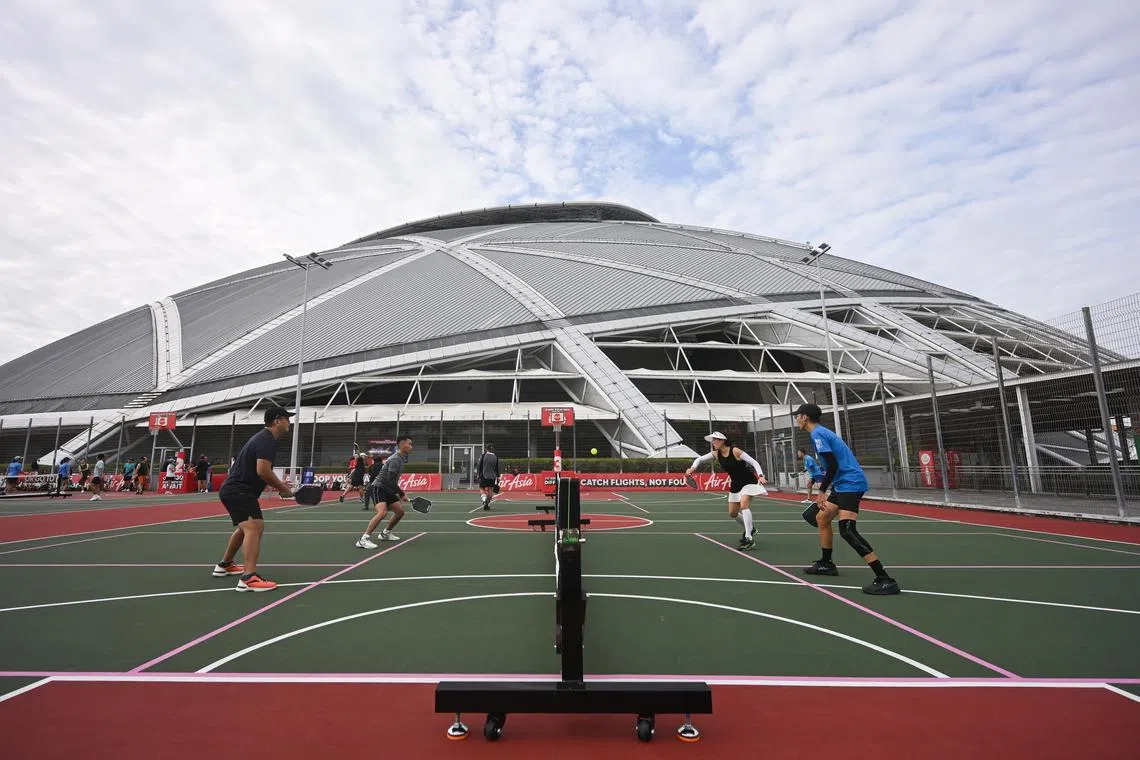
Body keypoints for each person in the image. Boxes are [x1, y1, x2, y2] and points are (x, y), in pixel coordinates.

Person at [792, 404, 900, 595]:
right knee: (822, 519)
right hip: (842, 484)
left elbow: (832, 465)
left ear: (805, 417)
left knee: (847, 530)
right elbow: (833, 465)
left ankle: (884, 579)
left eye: (797, 416)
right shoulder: (820, 433)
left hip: (851, 483)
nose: (796, 419)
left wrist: (822, 490)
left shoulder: (818, 434)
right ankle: (826, 563)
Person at [213, 406, 295, 592]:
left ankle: (225, 564)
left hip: (237, 491)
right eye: (286, 419)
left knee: (245, 528)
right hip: (239, 491)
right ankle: (249, 578)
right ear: (277, 421)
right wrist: (282, 488)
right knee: (254, 527)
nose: (289, 422)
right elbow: (263, 470)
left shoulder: (264, 439)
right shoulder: (267, 440)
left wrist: (280, 487)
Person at [686, 432, 767, 551]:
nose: (713, 443)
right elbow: (700, 459)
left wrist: (760, 475)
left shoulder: (735, 451)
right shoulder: (716, 453)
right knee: (733, 513)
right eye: (712, 440)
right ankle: (751, 529)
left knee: (744, 505)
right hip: (735, 484)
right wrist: (693, 468)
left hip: (748, 481)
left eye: (715, 440)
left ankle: (749, 538)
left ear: (722, 440)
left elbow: (754, 462)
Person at [356, 435, 413, 549]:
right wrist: (401, 494)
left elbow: (391, 482)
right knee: (382, 512)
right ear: (401, 444)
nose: (411, 446)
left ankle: (385, 533)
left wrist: (398, 493)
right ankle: (363, 539)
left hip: (388, 488)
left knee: (400, 511)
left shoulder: (401, 458)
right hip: (379, 487)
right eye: (409, 444)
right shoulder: (395, 459)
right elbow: (389, 480)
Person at [476, 443, 500, 510]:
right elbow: (496, 468)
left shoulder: (483, 456)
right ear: (492, 449)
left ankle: (484, 501)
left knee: (481, 488)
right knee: (490, 490)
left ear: (486, 449)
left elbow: (479, 466)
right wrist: (498, 477)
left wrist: (478, 475)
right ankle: (487, 503)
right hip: (492, 476)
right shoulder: (495, 457)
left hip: (484, 475)